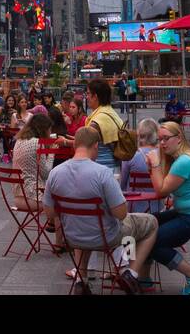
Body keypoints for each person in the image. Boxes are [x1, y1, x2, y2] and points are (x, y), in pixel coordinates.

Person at [41, 126, 159, 295]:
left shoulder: (55, 173)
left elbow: (50, 214)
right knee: (149, 223)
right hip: (105, 236)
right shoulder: (103, 173)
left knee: (85, 223)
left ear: (75, 145)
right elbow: (121, 214)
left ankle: (82, 280)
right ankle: (129, 272)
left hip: (72, 236)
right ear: (96, 146)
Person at [145, 121, 190, 295]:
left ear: (178, 139)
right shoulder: (180, 158)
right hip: (189, 214)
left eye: (166, 139)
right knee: (145, 225)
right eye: (159, 139)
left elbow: (161, 191)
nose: (162, 143)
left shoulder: (183, 161)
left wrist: (154, 165)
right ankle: (141, 277)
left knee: (153, 242)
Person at [118, 119, 162, 213]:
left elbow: (123, 185)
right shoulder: (163, 156)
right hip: (157, 206)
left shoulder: (130, 156)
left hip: (134, 206)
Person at [11, 114, 55, 211]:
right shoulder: (37, 143)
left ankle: (50, 225)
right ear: (43, 129)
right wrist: (52, 152)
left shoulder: (19, 140)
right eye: (49, 129)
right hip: (35, 198)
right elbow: (46, 173)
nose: (50, 132)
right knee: (63, 199)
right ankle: (52, 225)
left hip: (18, 197)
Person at [86, 78, 128, 171]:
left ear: (95, 96)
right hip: (115, 167)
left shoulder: (97, 121)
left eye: (88, 93)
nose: (86, 97)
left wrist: (65, 141)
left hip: (100, 169)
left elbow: (84, 144)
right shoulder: (111, 113)